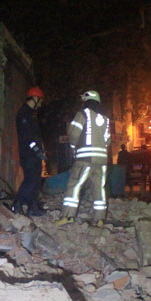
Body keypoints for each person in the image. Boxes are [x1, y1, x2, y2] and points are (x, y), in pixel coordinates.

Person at [56, 90, 111, 226]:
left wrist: (74, 147)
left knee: (74, 186)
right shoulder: (105, 119)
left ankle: (68, 216)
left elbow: (74, 134)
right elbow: (108, 141)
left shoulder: (82, 114)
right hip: (102, 160)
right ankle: (99, 219)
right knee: (99, 189)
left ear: (87, 101)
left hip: (85, 159)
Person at [11, 86, 46, 216]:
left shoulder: (30, 114)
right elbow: (27, 136)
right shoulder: (24, 114)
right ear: (35, 98)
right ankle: (17, 204)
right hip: (28, 154)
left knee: (36, 180)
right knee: (30, 180)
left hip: (33, 154)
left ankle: (32, 207)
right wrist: (36, 149)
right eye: (40, 100)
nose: (41, 104)